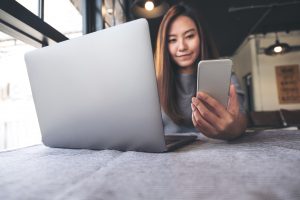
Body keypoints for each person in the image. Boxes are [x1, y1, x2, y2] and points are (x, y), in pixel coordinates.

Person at [154, 2, 247, 140]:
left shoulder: (225, 75)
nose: (182, 47)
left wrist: (235, 128)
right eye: (172, 40)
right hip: (171, 154)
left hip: (215, 148)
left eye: (189, 36)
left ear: (201, 37)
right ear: (164, 46)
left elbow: (241, 118)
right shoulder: (154, 83)